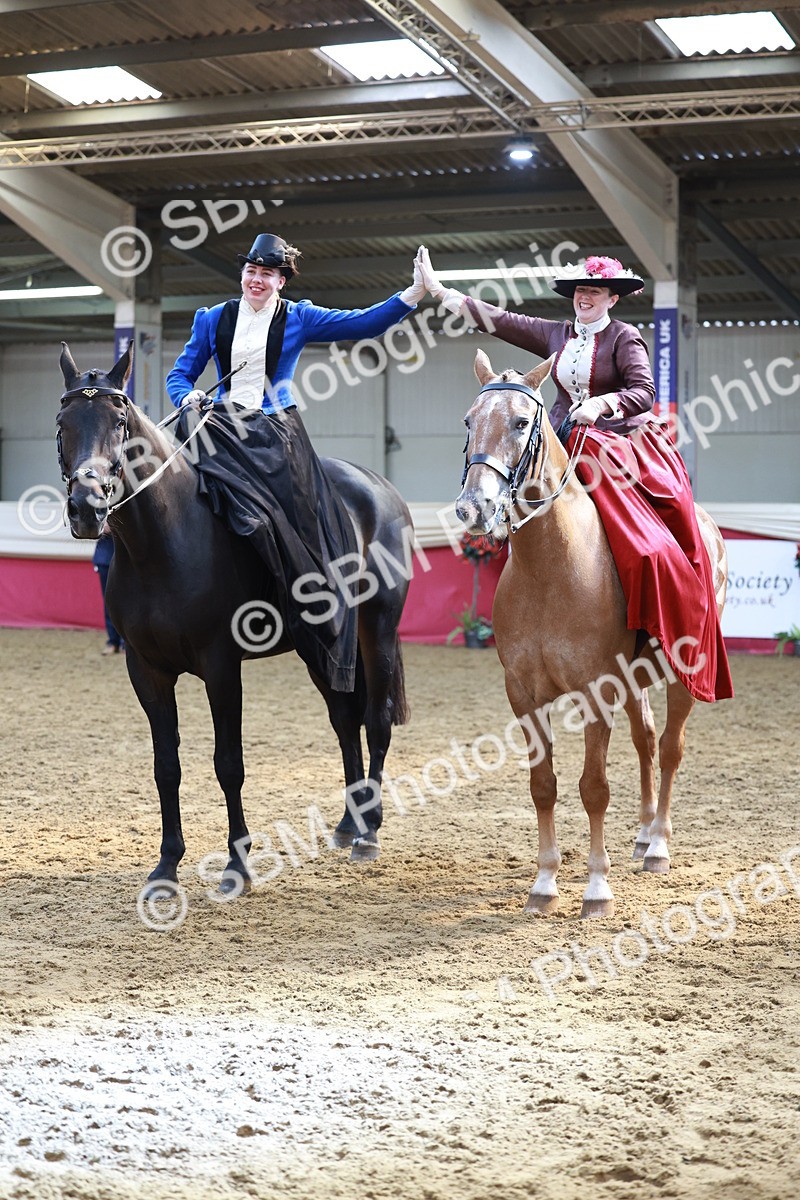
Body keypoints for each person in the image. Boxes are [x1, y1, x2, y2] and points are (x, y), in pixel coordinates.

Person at [417, 248, 733, 704]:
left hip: (617, 445)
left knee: (649, 544)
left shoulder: (626, 338)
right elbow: (498, 319)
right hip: (563, 442)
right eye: (581, 290)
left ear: (611, 298)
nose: (585, 297)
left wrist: (602, 404)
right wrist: (440, 291)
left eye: (595, 291)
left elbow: (643, 391)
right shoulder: (555, 333)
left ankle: (665, 626)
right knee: (521, 496)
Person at [166, 233, 427, 692]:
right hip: (220, 424)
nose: (256, 280)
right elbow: (180, 372)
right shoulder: (212, 319)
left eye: (266, 274)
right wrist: (186, 394)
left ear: (281, 281)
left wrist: (413, 294)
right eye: (251, 271)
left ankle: (312, 594)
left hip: (274, 429)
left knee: (298, 513)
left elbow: (363, 323)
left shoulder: (299, 318)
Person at [93, 525, 123, 655]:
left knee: (127, 601)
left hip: (126, 556)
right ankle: (113, 641)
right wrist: (100, 525)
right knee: (109, 602)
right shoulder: (97, 505)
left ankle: (126, 642)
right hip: (105, 556)